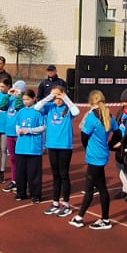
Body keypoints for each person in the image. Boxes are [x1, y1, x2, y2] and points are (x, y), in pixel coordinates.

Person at [70, 91, 116, 230]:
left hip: (94, 157)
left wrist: (87, 147)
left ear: (91, 101)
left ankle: (85, 217)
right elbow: (119, 132)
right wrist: (110, 144)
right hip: (102, 155)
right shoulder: (109, 115)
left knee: (93, 188)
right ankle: (92, 218)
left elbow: (84, 136)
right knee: (98, 187)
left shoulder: (92, 117)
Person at [40, 83, 81, 216]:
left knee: (64, 174)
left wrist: (65, 98)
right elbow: (36, 107)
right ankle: (55, 202)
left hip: (64, 146)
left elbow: (77, 112)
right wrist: (50, 97)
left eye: (59, 96)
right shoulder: (50, 107)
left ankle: (66, 204)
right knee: (55, 175)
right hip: (52, 145)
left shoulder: (68, 109)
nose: (57, 99)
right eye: (55, 96)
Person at [10, 87, 46, 204]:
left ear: (34, 99)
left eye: (28, 99)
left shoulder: (38, 112)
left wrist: (30, 130)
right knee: (20, 173)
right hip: (21, 148)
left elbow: (43, 127)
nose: (25, 102)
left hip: (34, 148)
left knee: (34, 173)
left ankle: (35, 194)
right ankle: (21, 192)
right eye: (24, 99)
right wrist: (19, 131)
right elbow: (17, 126)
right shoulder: (21, 112)